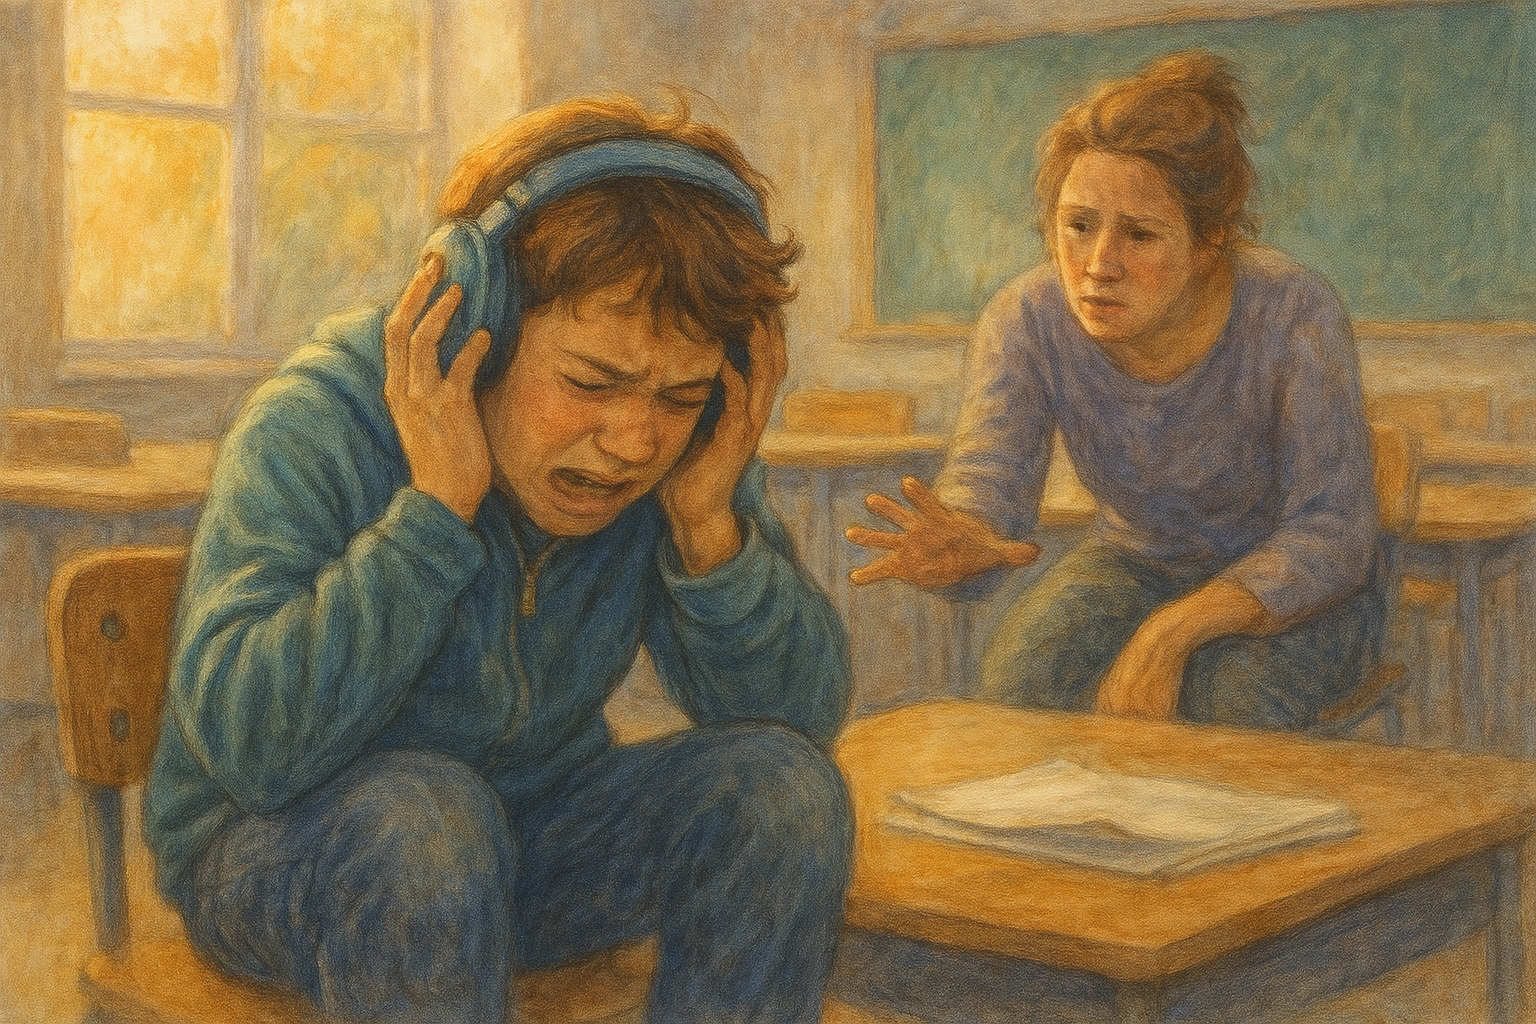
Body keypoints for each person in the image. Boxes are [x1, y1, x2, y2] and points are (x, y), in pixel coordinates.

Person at [143, 95, 854, 1024]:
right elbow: (254, 749)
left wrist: (708, 530)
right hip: (287, 850)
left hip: (529, 838)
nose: (635, 440)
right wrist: (433, 513)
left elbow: (796, 720)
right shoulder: (317, 420)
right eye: (592, 382)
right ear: (474, 332)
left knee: (785, 793)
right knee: (427, 823)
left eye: (680, 397)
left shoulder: (683, 459)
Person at [847, 51, 1386, 729]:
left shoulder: (1292, 311)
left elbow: (1332, 536)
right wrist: (970, 537)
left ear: (1209, 241)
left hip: (1297, 591)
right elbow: (991, 486)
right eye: (1078, 225)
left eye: (1140, 234)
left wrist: (1172, 632)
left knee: (1226, 705)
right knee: (1019, 680)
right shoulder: (1026, 318)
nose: (1099, 266)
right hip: (1134, 563)